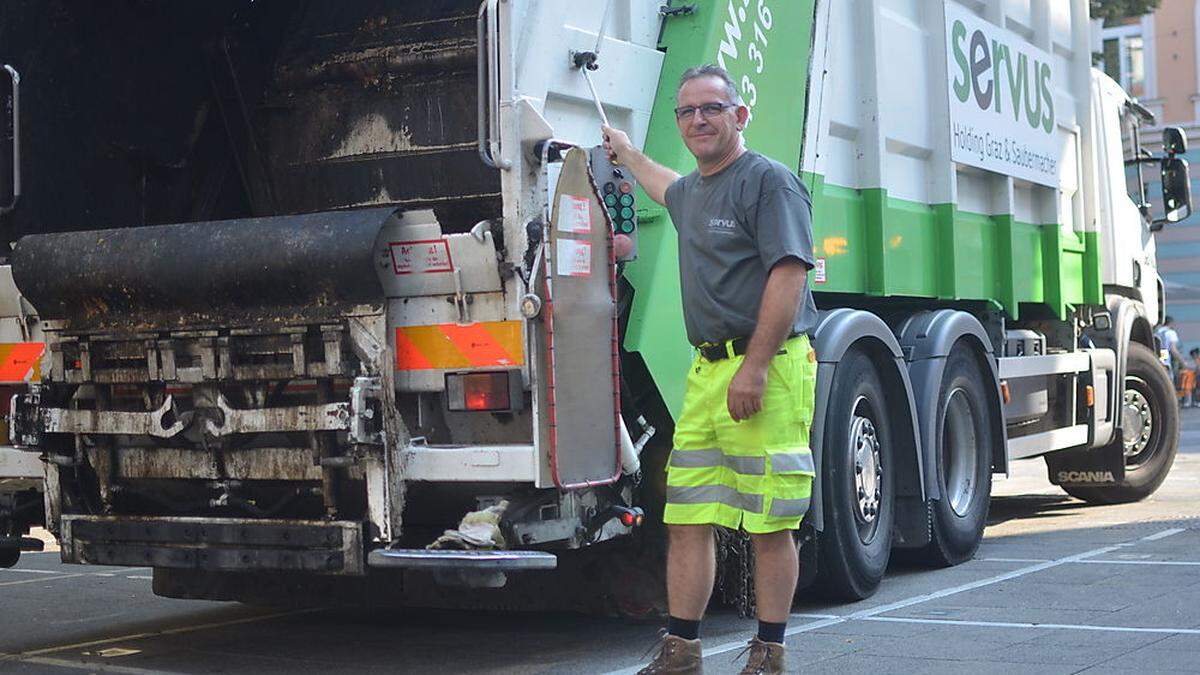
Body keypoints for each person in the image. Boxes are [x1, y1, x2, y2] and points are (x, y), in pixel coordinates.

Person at [603, 64, 818, 675]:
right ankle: (681, 652)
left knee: (770, 521)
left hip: (767, 369)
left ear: (739, 115)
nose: (699, 120)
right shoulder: (693, 192)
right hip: (706, 377)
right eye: (688, 111)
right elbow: (662, 182)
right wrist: (626, 153)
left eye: (712, 108)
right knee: (688, 515)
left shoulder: (769, 183)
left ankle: (768, 654)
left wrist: (752, 368)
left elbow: (788, 275)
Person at [1156, 316, 1187, 391]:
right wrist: (1183, 363)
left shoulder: (1156, 332)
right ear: (1171, 323)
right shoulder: (1170, 333)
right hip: (1166, 363)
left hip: (1156, 361)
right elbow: (1173, 350)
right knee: (1168, 388)